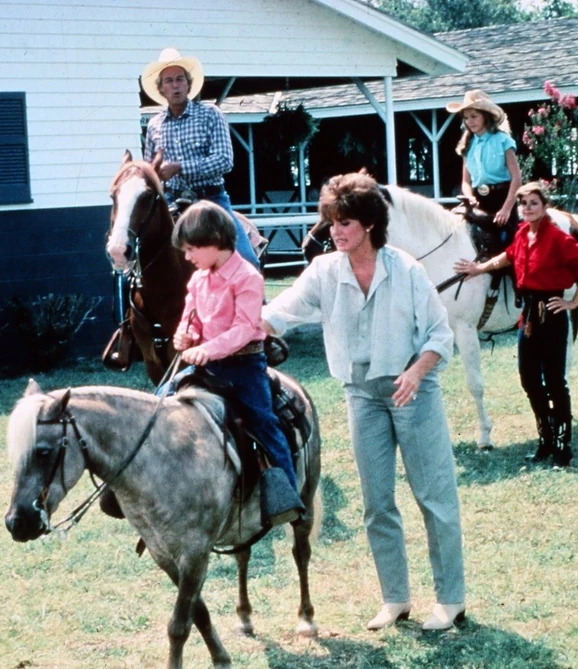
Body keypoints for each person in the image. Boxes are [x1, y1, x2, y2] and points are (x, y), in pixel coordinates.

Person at [262, 172, 466, 632]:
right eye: (331, 221)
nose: (335, 231)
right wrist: (229, 327)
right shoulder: (324, 271)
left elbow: (439, 334)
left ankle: (450, 599)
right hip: (361, 395)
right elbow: (280, 312)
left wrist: (416, 372)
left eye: (345, 222)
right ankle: (395, 598)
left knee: (434, 497)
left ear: (370, 224)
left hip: (412, 390)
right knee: (377, 503)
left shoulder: (407, 270)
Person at [171, 200, 303, 526]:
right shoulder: (198, 280)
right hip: (208, 365)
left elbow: (245, 329)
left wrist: (209, 349)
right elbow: (192, 320)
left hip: (244, 367)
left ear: (215, 239)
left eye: (191, 249)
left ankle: (287, 497)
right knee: (161, 402)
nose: (187, 257)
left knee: (264, 423)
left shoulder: (247, 277)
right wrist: (185, 335)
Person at [454, 182, 578, 468]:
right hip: (528, 315)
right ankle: (544, 441)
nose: (527, 208)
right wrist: (479, 268)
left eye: (533, 203)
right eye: (523, 204)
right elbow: (507, 257)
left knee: (555, 382)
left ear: (544, 207)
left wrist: (573, 303)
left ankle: (562, 446)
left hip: (552, 313)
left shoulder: (557, 238)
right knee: (530, 380)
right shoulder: (521, 233)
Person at [141, 47, 261, 269]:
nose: (175, 85)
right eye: (168, 81)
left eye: (179, 79)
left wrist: (180, 168)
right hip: (170, 201)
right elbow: (151, 170)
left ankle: (257, 302)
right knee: (141, 256)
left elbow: (224, 160)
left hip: (211, 200)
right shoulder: (154, 125)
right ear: (161, 89)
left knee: (247, 260)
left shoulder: (210, 114)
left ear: (188, 84)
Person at [446, 90, 522, 247]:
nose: (470, 121)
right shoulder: (467, 145)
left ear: (485, 116)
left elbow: (516, 177)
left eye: (474, 116)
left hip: (503, 198)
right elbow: (466, 181)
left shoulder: (503, 141)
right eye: (466, 118)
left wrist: (506, 209)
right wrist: (469, 197)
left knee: (507, 244)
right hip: (478, 200)